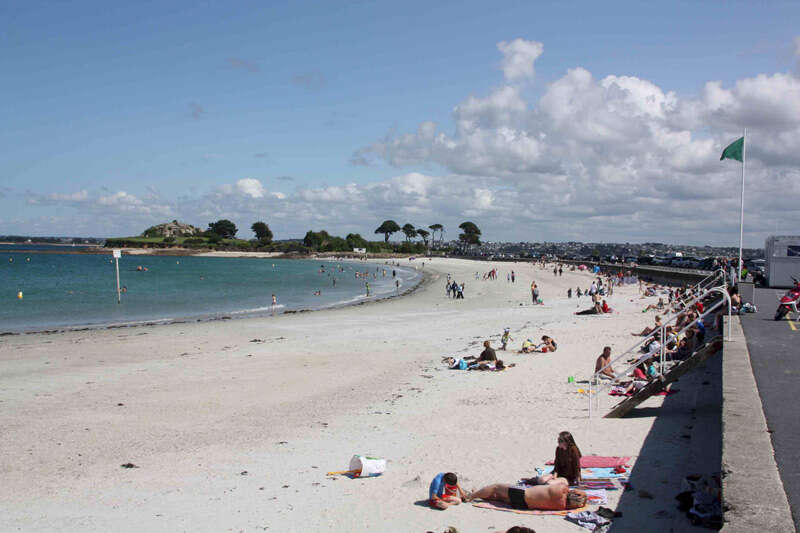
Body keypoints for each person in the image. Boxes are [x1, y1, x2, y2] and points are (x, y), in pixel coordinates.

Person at [466, 482, 586, 511]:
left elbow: (565, 483)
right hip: (524, 505)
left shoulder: (561, 489)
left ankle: (471, 496)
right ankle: (479, 494)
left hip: (522, 495)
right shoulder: (562, 506)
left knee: (496, 487)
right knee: (497, 497)